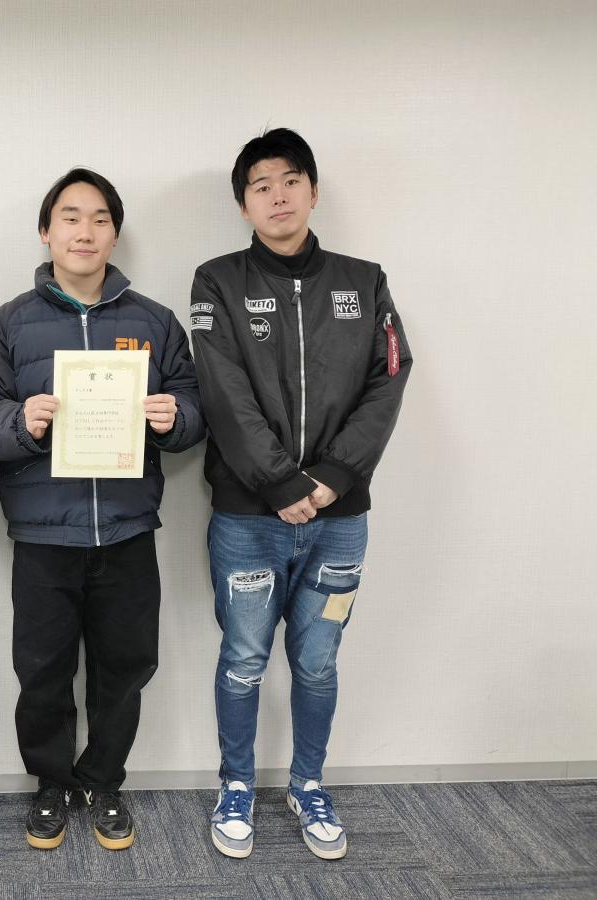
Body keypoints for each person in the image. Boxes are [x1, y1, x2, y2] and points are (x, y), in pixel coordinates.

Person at [0, 169, 205, 851]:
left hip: (127, 529)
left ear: (114, 234)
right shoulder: (8, 323)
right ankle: (51, 783)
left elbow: (194, 401)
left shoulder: (153, 321)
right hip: (44, 535)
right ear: (46, 231)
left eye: (99, 219)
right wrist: (20, 420)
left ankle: (103, 781)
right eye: (70, 217)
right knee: (42, 670)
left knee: (126, 666)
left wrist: (175, 417)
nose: (84, 231)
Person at [189, 128, 412, 860]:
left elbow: (388, 378)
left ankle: (309, 783)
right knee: (244, 658)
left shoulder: (364, 281)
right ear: (243, 204)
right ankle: (236, 785)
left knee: (318, 662)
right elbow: (222, 390)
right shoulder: (217, 282)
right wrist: (280, 480)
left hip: (339, 520)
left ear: (313, 191)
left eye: (290, 181)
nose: (277, 196)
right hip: (248, 517)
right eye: (261, 186)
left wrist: (334, 478)